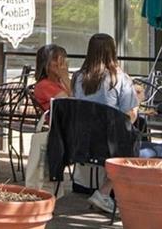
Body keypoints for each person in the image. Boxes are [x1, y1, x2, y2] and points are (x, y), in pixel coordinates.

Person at [71, 33, 141, 215]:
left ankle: (103, 192)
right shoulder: (119, 78)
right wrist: (138, 100)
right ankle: (104, 192)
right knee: (134, 138)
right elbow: (130, 115)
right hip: (109, 144)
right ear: (113, 52)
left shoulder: (77, 78)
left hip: (81, 141)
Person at [32, 43, 70, 112]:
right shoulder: (44, 85)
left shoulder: (59, 82)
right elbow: (70, 104)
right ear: (45, 64)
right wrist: (65, 77)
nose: (60, 63)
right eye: (56, 59)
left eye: (62, 59)